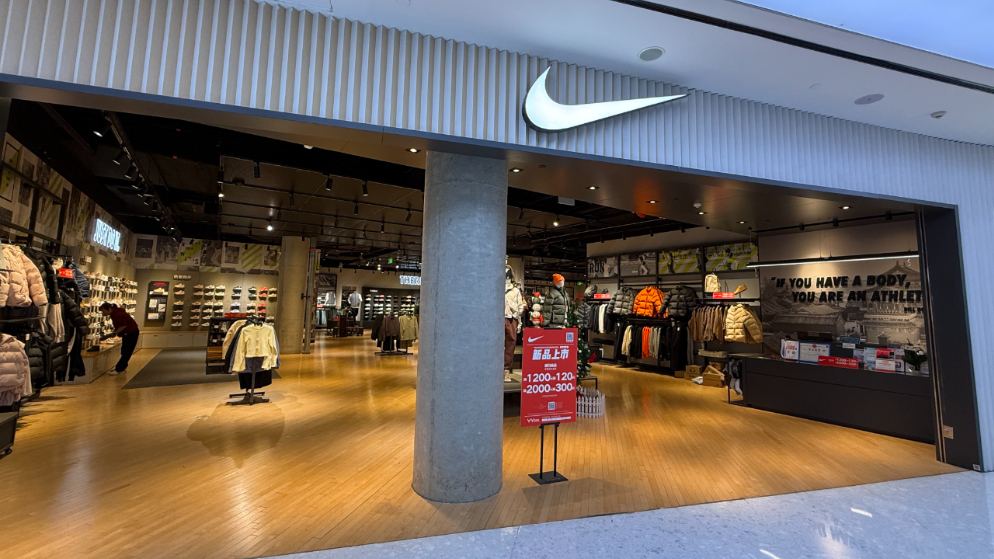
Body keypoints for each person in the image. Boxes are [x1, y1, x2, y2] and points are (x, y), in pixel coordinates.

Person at [100, 302, 139, 375]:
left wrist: (114, 333)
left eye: (103, 311)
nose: (103, 313)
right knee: (125, 351)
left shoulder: (116, 314)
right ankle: (121, 368)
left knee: (126, 351)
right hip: (130, 332)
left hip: (130, 333)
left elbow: (122, 325)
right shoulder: (116, 312)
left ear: (109, 309)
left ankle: (119, 369)